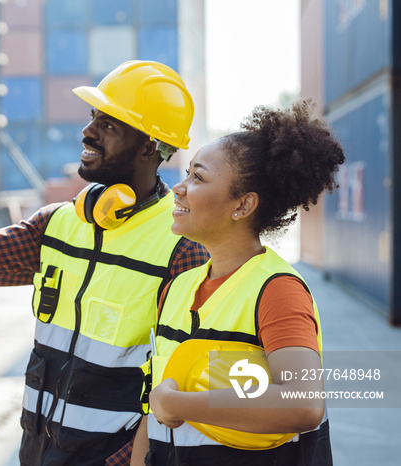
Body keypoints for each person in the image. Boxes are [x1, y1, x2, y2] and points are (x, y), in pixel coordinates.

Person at [0, 60, 209, 466]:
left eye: (108, 125)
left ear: (149, 147)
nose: (87, 132)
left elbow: (189, 388)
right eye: (94, 117)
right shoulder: (58, 224)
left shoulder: (183, 248)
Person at [130, 100, 345, 466]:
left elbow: (304, 403)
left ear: (242, 205)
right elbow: (156, 409)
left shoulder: (277, 290)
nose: (178, 189)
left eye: (198, 177)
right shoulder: (178, 287)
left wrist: (180, 404)